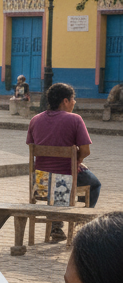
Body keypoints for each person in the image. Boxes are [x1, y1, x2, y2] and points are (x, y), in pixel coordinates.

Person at [26, 82, 101, 242]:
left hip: (41, 182)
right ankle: (82, 224)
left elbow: (32, 146)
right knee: (94, 184)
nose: (74, 102)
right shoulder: (75, 119)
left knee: (55, 177)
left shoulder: (35, 120)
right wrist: (78, 161)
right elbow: (85, 150)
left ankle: (57, 224)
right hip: (65, 181)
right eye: (73, 99)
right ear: (65, 101)